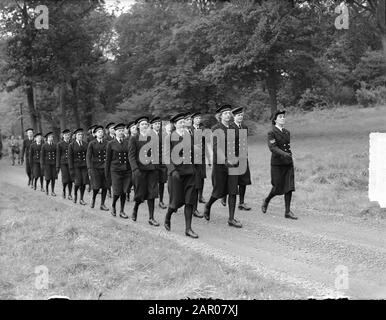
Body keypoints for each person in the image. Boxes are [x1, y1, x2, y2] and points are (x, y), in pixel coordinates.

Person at [203, 104, 242, 228]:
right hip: (220, 165)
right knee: (218, 192)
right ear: (220, 116)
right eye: (225, 113)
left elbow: (237, 145)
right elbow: (215, 147)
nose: (228, 115)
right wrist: (225, 160)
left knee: (233, 191)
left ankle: (231, 219)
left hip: (233, 164)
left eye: (229, 113)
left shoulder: (233, 128)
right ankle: (208, 205)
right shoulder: (216, 128)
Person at [164, 113, 198, 238]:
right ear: (175, 124)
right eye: (180, 122)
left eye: (184, 122)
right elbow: (166, 157)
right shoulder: (169, 138)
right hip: (176, 174)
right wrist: (173, 171)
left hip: (189, 172)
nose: (182, 124)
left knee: (189, 201)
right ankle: (168, 216)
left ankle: (188, 229)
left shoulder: (189, 135)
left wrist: (195, 167)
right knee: (176, 202)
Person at [262, 110, 297, 220]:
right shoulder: (271, 132)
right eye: (280, 117)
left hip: (288, 163)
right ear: (275, 120)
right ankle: (267, 200)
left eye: (283, 117)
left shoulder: (287, 132)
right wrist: (284, 154)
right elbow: (273, 147)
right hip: (277, 164)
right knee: (277, 187)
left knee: (289, 186)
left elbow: (287, 146)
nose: (283, 118)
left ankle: (287, 211)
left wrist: (288, 156)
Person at [128, 116, 159, 226]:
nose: (145, 126)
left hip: (151, 170)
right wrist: (135, 169)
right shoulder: (134, 138)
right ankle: (135, 208)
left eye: (146, 124)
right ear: (138, 126)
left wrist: (156, 166)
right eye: (142, 124)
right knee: (140, 194)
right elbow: (131, 156)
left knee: (152, 193)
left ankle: (151, 218)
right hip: (140, 170)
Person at [105, 123, 131, 218]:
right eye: (119, 131)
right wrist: (106, 173)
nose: (121, 132)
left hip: (126, 170)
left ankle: (122, 211)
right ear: (115, 132)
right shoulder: (110, 144)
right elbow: (108, 160)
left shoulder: (127, 142)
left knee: (124, 191)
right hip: (115, 170)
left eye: (122, 130)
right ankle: (113, 205)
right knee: (117, 192)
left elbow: (130, 157)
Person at [231, 107, 252, 211]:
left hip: (243, 157)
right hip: (234, 157)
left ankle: (241, 202)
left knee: (244, 180)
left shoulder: (244, 127)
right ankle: (226, 198)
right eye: (238, 115)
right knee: (233, 180)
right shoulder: (230, 127)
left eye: (241, 115)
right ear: (234, 117)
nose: (240, 117)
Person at [86, 125, 109, 211]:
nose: (100, 133)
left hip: (105, 167)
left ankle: (102, 204)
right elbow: (88, 156)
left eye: (101, 132)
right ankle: (93, 199)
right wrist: (89, 168)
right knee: (96, 186)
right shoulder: (92, 143)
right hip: (95, 167)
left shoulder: (107, 143)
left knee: (105, 186)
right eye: (98, 132)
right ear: (95, 134)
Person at [150, 116, 168, 209]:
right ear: (152, 125)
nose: (157, 125)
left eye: (158, 124)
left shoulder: (163, 135)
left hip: (162, 162)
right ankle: (151, 198)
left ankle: (161, 200)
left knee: (162, 181)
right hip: (152, 162)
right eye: (155, 124)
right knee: (153, 182)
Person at [68, 128, 89, 205]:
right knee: (77, 183)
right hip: (76, 166)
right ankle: (75, 195)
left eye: (81, 134)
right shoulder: (72, 145)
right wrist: (71, 169)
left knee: (83, 183)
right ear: (75, 136)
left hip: (84, 166)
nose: (80, 136)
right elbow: (70, 158)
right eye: (78, 134)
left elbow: (88, 156)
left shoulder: (86, 144)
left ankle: (81, 199)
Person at [56, 129, 74, 200]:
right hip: (63, 163)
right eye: (66, 135)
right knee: (65, 178)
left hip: (71, 163)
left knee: (71, 179)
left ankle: (69, 194)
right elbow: (58, 155)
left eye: (68, 135)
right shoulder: (59, 144)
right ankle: (64, 190)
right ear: (63, 136)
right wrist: (57, 166)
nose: (67, 136)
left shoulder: (72, 143)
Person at [40, 132, 57, 196]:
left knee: (53, 178)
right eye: (49, 137)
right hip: (47, 164)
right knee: (48, 178)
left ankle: (52, 191)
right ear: (47, 138)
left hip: (53, 164)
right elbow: (42, 156)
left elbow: (56, 155)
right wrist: (42, 164)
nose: (51, 138)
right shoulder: (44, 145)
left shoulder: (55, 145)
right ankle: (47, 189)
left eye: (52, 137)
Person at [125, 121, 137, 202]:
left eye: (135, 127)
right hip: (127, 162)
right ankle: (127, 193)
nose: (135, 129)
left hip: (136, 161)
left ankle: (137, 195)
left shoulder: (139, 138)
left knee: (136, 179)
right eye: (133, 128)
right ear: (130, 130)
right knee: (129, 180)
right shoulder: (126, 139)